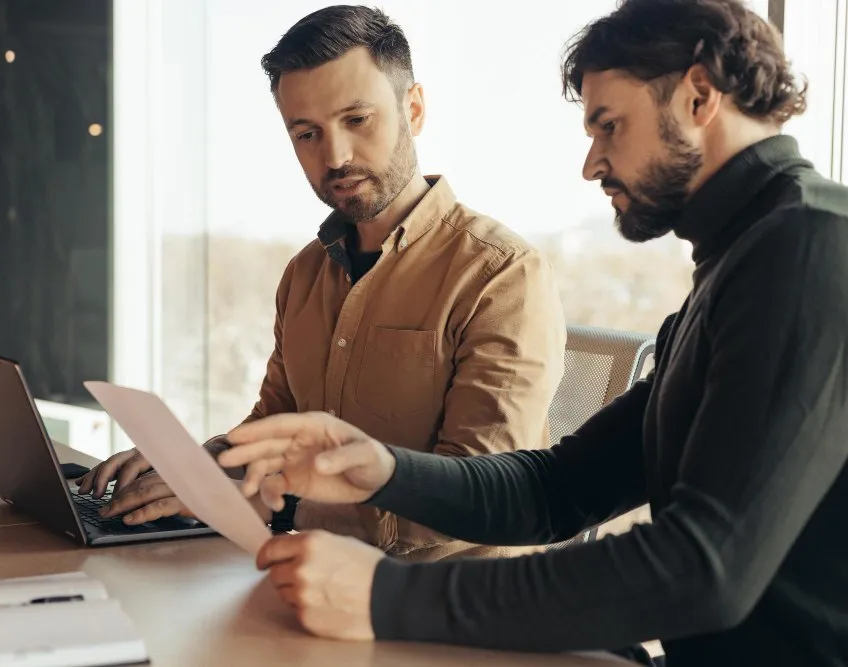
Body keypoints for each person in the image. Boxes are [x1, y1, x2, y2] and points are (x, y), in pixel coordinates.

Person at [214, 1, 848, 665]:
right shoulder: (744, 260)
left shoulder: (807, 248)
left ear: (697, 96)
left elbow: (704, 569)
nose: (592, 162)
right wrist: (382, 469)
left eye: (609, 126)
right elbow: (558, 489)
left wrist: (385, 594)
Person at [76, 5, 566, 563]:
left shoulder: (501, 275)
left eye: (357, 120)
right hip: (306, 581)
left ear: (415, 108)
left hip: (444, 610)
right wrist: (194, 464)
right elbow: (274, 421)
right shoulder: (307, 272)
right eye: (307, 133)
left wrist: (276, 503)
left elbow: (480, 499)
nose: (334, 156)